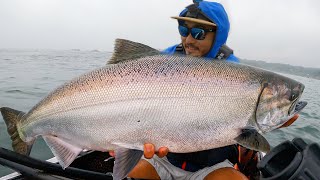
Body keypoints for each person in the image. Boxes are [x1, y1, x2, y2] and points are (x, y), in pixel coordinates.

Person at [110, 0, 300, 179]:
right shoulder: (165, 59)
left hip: (210, 168)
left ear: (217, 35)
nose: (189, 40)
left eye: (199, 33)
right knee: (127, 172)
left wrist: (270, 121)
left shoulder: (236, 74)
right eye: (184, 30)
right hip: (163, 159)